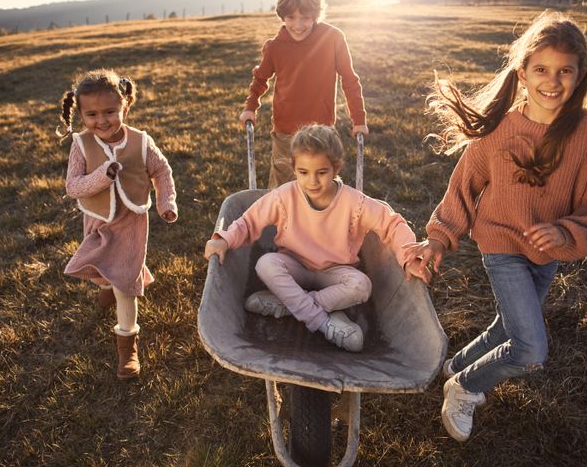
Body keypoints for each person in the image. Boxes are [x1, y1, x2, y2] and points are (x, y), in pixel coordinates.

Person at [403, 11, 587, 441]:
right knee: (529, 349)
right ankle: (464, 387)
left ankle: (457, 363)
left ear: (582, 76)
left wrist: (565, 231)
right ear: (523, 73)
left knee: (510, 325)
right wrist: (439, 237)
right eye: (541, 69)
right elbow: (465, 184)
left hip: (547, 253)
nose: (552, 81)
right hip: (501, 242)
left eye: (564, 71)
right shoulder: (501, 128)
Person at [204, 124, 430, 352]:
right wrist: (224, 238)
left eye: (321, 172)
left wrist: (409, 257)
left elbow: (392, 224)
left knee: (362, 286)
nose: (312, 181)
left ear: (336, 168)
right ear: (294, 168)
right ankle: (323, 322)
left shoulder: (355, 203)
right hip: (295, 266)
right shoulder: (284, 196)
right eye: (303, 173)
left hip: (335, 272)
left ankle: (289, 304)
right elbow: (249, 220)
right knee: (266, 264)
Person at [57, 69, 178, 380]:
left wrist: (166, 203)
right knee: (102, 270)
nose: (103, 120)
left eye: (110, 112)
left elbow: (161, 172)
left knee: (126, 284)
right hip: (98, 222)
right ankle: (106, 284)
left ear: (125, 105)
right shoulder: (81, 145)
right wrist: (102, 177)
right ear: (81, 113)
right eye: (92, 114)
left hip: (132, 222)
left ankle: (127, 344)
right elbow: (73, 187)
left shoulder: (140, 141)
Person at [239, 0, 369, 188]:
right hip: (285, 132)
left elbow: (350, 80)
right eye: (291, 17)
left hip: (321, 131)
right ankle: (282, 220)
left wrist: (359, 119)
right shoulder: (274, 47)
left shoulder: (333, 38)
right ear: (282, 15)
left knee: (321, 185)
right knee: (283, 187)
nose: (298, 25)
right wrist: (250, 107)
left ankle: (322, 218)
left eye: (305, 18)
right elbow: (259, 79)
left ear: (315, 15)